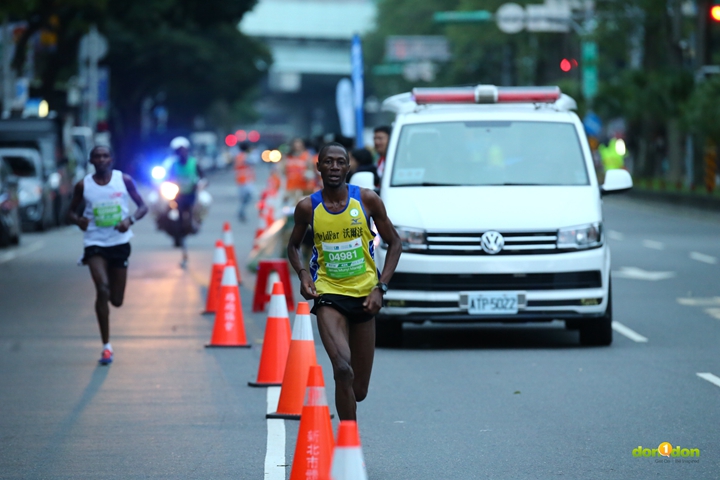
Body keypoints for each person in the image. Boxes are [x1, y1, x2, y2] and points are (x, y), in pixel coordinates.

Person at [287, 142, 402, 420]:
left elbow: (395, 243)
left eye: (340, 162)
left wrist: (380, 287)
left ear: (349, 167)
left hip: (365, 295)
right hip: (328, 294)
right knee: (342, 369)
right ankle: (348, 449)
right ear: (319, 167)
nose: (334, 167)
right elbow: (292, 246)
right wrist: (303, 274)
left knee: (359, 389)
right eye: (328, 162)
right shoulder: (307, 207)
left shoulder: (366, 200)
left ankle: (348, 435)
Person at [67, 145, 148, 365]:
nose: (101, 159)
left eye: (105, 156)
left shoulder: (124, 180)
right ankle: (106, 346)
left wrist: (128, 220)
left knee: (117, 300)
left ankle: (110, 295)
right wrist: (79, 221)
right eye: (97, 156)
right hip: (94, 243)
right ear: (91, 160)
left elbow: (143, 207)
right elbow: (71, 211)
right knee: (102, 288)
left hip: (119, 243)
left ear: (111, 159)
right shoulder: (83, 185)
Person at [166, 136, 205, 268]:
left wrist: (200, 184)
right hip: (177, 196)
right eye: (179, 151)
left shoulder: (194, 162)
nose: (182, 153)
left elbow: (202, 177)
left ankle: (196, 223)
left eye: (184, 150)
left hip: (191, 195)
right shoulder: (172, 164)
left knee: (203, 204)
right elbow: (167, 179)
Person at [284, 137, 314, 202]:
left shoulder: (307, 157)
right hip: (290, 189)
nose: (297, 147)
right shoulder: (288, 158)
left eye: (299, 145)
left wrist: (308, 174)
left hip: (303, 189)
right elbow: (282, 174)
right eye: (295, 145)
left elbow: (311, 173)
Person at [234, 142, 255, 222]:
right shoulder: (242, 156)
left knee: (245, 198)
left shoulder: (240, 155)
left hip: (245, 180)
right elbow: (251, 162)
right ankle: (241, 211)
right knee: (248, 196)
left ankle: (241, 212)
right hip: (244, 180)